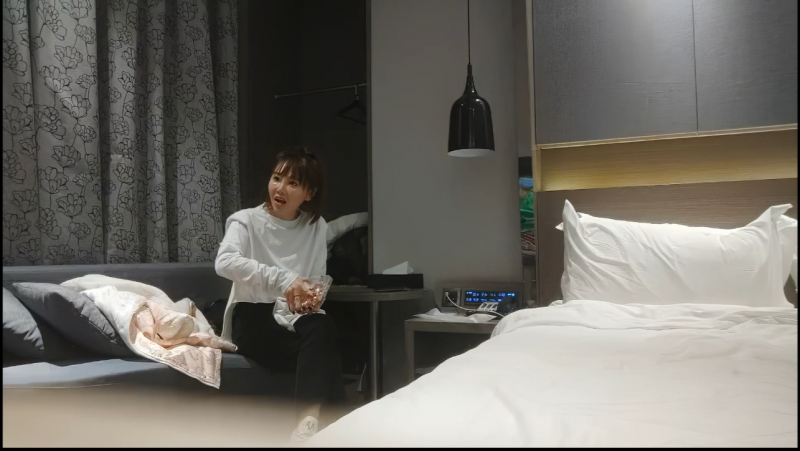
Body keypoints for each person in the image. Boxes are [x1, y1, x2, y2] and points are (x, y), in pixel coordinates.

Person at [215, 147, 345, 444]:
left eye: (293, 183)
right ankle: (334, 427)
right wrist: (284, 280)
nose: (280, 188)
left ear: (309, 193)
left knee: (322, 327)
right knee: (324, 353)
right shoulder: (245, 221)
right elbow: (225, 262)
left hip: (293, 317)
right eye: (277, 178)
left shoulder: (315, 226)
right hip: (253, 313)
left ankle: (306, 426)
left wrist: (309, 297)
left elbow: (313, 277)